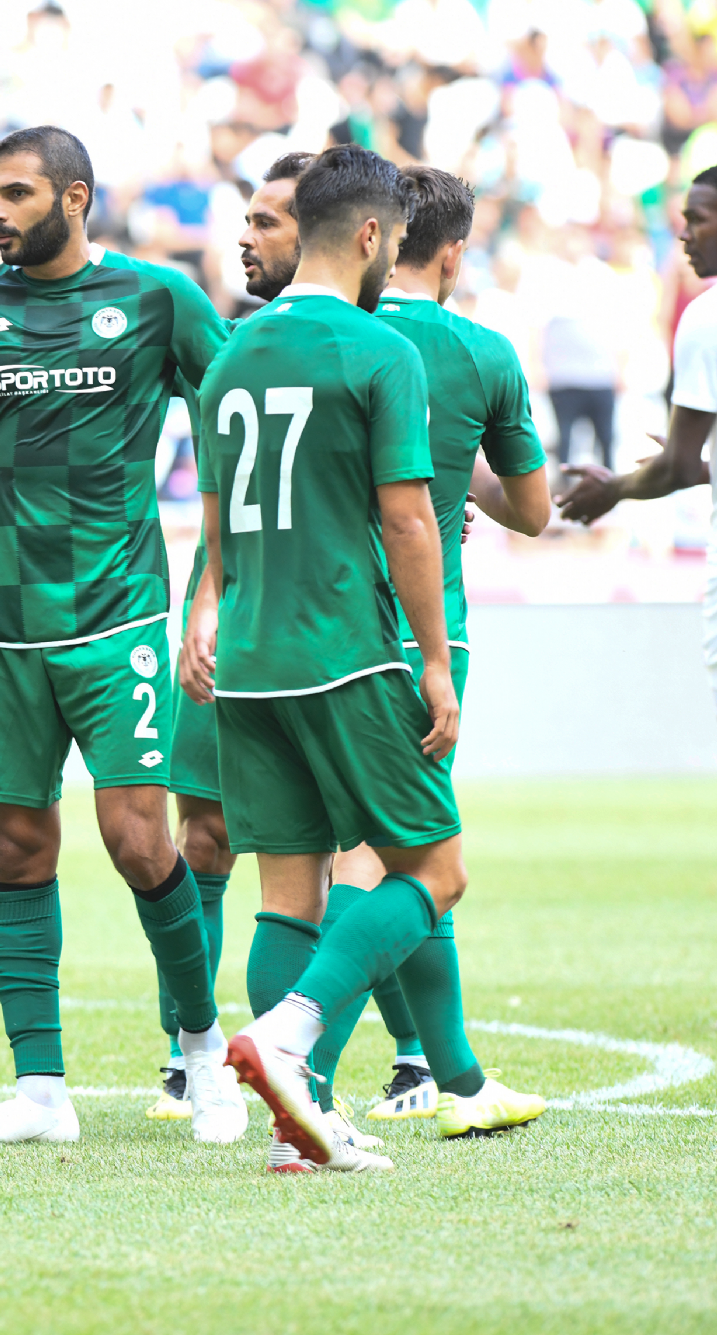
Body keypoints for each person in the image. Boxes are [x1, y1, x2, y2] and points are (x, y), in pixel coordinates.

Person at [0, 125, 248, 1148]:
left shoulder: (156, 298)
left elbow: (240, 412)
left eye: (16, 193)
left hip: (115, 614)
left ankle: (203, 1055)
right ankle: (39, 1091)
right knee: (16, 845)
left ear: (74, 198)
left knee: (138, 839)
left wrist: (218, 583)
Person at [182, 145, 458, 1175]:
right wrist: (434, 659)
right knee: (434, 867)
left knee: (285, 893)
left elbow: (214, 521)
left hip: (248, 658)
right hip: (341, 648)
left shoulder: (231, 352)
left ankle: (299, 1128)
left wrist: (209, 610)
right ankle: (292, 1037)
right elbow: (407, 518)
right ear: (374, 234)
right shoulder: (380, 348)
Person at [309, 166, 552, 1144]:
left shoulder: (326, 331)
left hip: (317, 622)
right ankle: (304, 1068)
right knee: (397, 853)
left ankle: (443, 1071)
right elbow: (531, 509)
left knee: (367, 852)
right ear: (450, 252)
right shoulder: (480, 352)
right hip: (421, 630)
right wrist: (459, 485)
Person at [142, 149, 313, 1122]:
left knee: (351, 856)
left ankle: (405, 1057)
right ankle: (192, 1050)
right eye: (244, 219)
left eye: (266, 222)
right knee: (200, 836)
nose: (243, 237)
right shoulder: (227, 344)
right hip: (221, 619)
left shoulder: (371, 347)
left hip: (328, 633)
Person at [559, 166, 717, 708]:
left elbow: (676, 466)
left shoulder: (707, 318)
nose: (684, 234)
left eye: (698, 219)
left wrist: (615, 488)